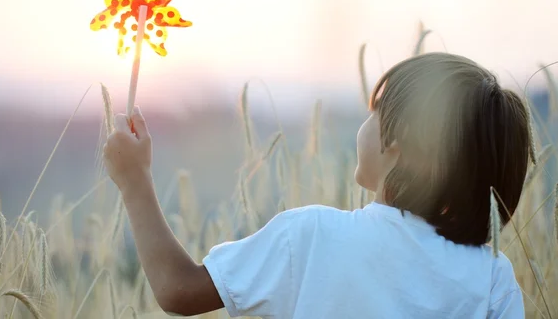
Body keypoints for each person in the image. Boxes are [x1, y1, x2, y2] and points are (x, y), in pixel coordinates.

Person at [104, 53, 530, 318]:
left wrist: (134, 180)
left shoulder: (309, 237)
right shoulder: (493, 278)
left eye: (375, 111)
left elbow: (178, 291)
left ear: (397, 139)